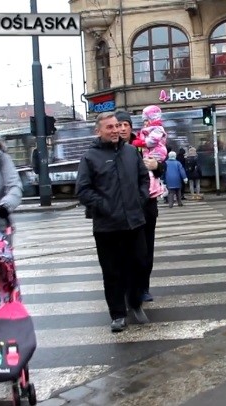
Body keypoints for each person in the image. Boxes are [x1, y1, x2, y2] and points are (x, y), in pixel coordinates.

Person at [76, 111, 150, 333]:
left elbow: (143, 179)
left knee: (140, 265)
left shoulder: (131, 152)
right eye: (110, 127)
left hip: (135, 222)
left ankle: (135, 301)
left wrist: (140, 198)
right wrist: (105, 206)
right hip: (107, 227)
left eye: (118, 126)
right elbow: (83, 190)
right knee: (112, 272)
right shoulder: (90, 157)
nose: (116, 130)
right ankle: (118, 314)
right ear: (98, 131)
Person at [116, 110, 164, 302]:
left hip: (146, 204)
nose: (121, 129)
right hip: (121, 206)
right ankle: (127, 287)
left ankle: (143, 287)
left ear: (130, 127)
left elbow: (161, 166)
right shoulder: (112, 148)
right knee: (124, 250)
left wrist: (157, 166)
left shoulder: (144, 143)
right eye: (118, 125)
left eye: (125, 125)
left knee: (146, 249)